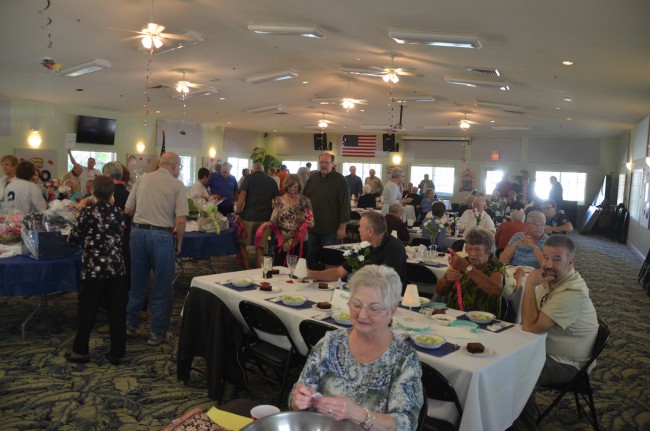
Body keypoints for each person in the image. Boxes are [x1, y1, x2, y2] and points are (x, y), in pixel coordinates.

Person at [290, 264, 423, 431]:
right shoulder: (330, 343)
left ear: (392, 311)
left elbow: (407, 424)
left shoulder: (403, 359)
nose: (362, 315)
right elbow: (297, 396)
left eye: (374, 308)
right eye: (357, 305)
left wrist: (359, 415)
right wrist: (298, 400)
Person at [512, 235, 598, 430]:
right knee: (500, 359)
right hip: (543, 350)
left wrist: (529, 286)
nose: (548, 264)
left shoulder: (572, 293)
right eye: (545, 257)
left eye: (556, 259)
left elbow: (530, 327)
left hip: (567, 363)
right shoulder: (551, 280)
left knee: (517, 373)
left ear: (570, 262)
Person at [124, 152, 189, 346]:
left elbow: (127, 210)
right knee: (161, 286)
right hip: (161, 236)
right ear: (175, 166)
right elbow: (181, 220)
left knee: (137, 283)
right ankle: (156, 332)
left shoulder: (142, 179)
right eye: (180, 166)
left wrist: (146, 214)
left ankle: (130, 324)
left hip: (137, 234)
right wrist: (179, 242)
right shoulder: (177, 185)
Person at [66, 176, 127, 365]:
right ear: (111, 193)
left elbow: (74, 238)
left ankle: (80, 351)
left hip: (94, 269)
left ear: (93, 192)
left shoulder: (87, 213)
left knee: (87, 310)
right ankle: (117, 353)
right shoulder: (119, 213)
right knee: (117, 312)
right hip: (116, 268)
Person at [307, 211, 407, 286]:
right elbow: (339, 272)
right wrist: (310, 274)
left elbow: (386, 281)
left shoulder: (394, 247)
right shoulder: (364, 246)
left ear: (370, 231)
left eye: (361, 226)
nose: (358, 229)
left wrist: (360, 281)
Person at [435, 228, 508, 319]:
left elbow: (494, 290)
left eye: (477, 249)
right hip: (454, 317)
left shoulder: (496, 266)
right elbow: (440, 291)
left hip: (482, 320)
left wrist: (467, 268)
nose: (472, 253)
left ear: (488, 251)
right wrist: (446, 279)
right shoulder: (463, 262)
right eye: (469, 249)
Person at [302, 152, 350, 269]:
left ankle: (330, 283)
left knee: (330, 258)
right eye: (321, 162)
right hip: (312, 228)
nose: (323, 165)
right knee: (311, 257)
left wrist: (342, 227)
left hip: (331, 229)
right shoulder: (313, 178)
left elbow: (345, 205)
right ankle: (312, 279)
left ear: (332, 164)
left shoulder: (340, 180)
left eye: (326, 163)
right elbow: (305, 199)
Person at [235, 162, 279, 269]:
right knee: (260, 247)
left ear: (252, 171)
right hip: (265, 218)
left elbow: (242, 197)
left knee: (242, 244)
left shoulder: (248, 179)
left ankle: (247, 269)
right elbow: (278, 202)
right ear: (263, 171)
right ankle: (258, 272)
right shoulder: (271, 181)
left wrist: (238, 213)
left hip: (248, 218)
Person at [268, 174, 314, 262]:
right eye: (290, 187)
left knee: (298, 271)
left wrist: (307, 223)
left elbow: (311, 222)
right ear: (285, 187)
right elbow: (273, 219)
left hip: (300, 242)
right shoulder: (279, 201)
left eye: (295, 187)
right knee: (281, 269)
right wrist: (268, 224)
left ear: (299, 187)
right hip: (283, 242)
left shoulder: (305, 201)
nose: (292, 190)